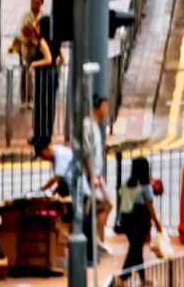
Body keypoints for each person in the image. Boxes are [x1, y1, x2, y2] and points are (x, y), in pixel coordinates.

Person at [116, 156, 161, 283]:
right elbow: (150, 206)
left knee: (136, 249)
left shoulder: (126, 184)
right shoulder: (145, 186)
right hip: (140, 221)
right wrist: (157, 223)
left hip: (126, 220)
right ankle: (122, 277)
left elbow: (121, 198)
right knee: (135, 249)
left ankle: (141, 278)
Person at [84, 95, 111, 253]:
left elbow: (92, 151)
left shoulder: (95, 126)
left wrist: (102, 149)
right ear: (97, 107)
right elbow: (86, 152)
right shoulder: (88, 125)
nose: (106, 110)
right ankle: (96, 241)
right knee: (102, 205)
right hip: (92, 176)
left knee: (104, 205)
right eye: (105, 107)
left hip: (96, 175)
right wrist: (91, 174)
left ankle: (98, 240)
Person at [30, 14, 60, 153]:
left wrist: (34, 64)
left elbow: (48, 59)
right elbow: (61, 58)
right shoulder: (55, 39)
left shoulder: (42, 41)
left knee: (41, 106)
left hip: (44, 75)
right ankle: (46, 134)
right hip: (53, 74)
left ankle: (40, 136)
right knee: (50, 105)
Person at [10, 0, 44, 103]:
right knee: (25, 73)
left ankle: (32, 97)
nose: (35, 5)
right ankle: (24, 98)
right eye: (33, 2)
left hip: (38, 48)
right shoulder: (25, 16)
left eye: (38, 3)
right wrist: (20, 51)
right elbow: (19, 33)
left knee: (34, 74)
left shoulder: (42, 18)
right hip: (25, 48)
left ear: (41, 4)